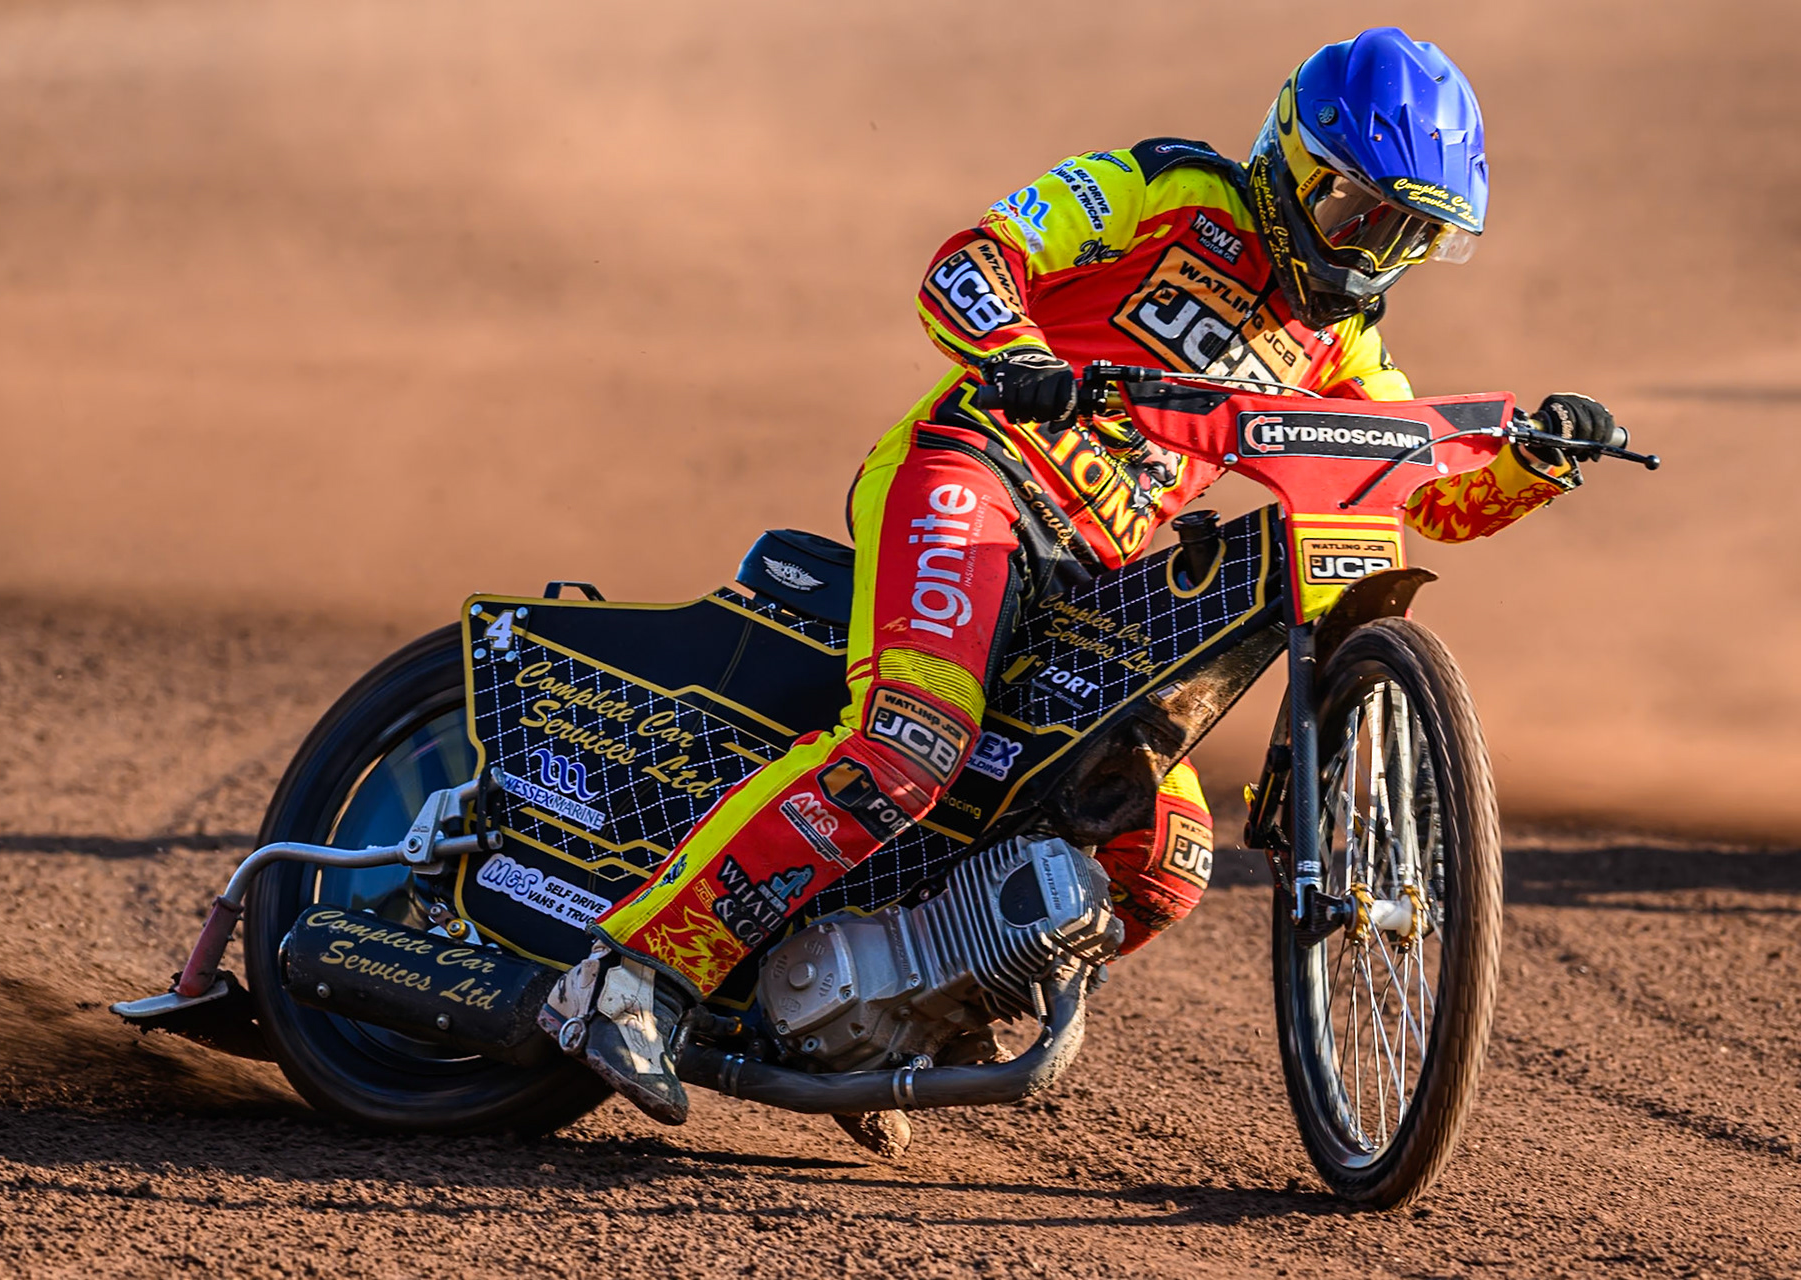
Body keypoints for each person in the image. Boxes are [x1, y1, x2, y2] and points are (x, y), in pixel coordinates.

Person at [540, 26, 1624, 1128]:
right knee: (913, 738)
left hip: (1092, 577)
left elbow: (1423, 496)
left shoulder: (1345, 351)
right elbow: (970, 259)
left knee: (1164, 854)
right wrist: (1015, 350)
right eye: (1359, 214)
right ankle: (629, 975)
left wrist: (1531, 466)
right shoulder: (1170, 187)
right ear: (1294, 163)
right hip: (978, 477)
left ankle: (905, 1009)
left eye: (1408, 239)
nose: (1369, 256)